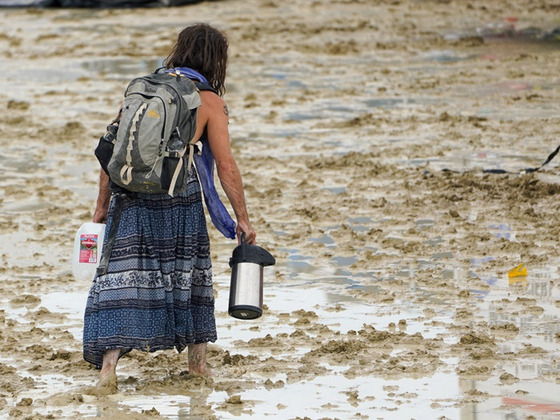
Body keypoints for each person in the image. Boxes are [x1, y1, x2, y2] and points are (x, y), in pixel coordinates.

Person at [83, 23, 256, 392]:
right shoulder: (208, 101)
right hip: (180, 194)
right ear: (216, 60)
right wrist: (241, 218)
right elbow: (225, 165)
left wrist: (100, 207)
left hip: (129, 194)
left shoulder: (143, 88)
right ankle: (197, 366)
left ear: (180, 50)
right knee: (190, 273)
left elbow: (111, 151)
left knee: (124, 276)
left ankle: (107, 371)